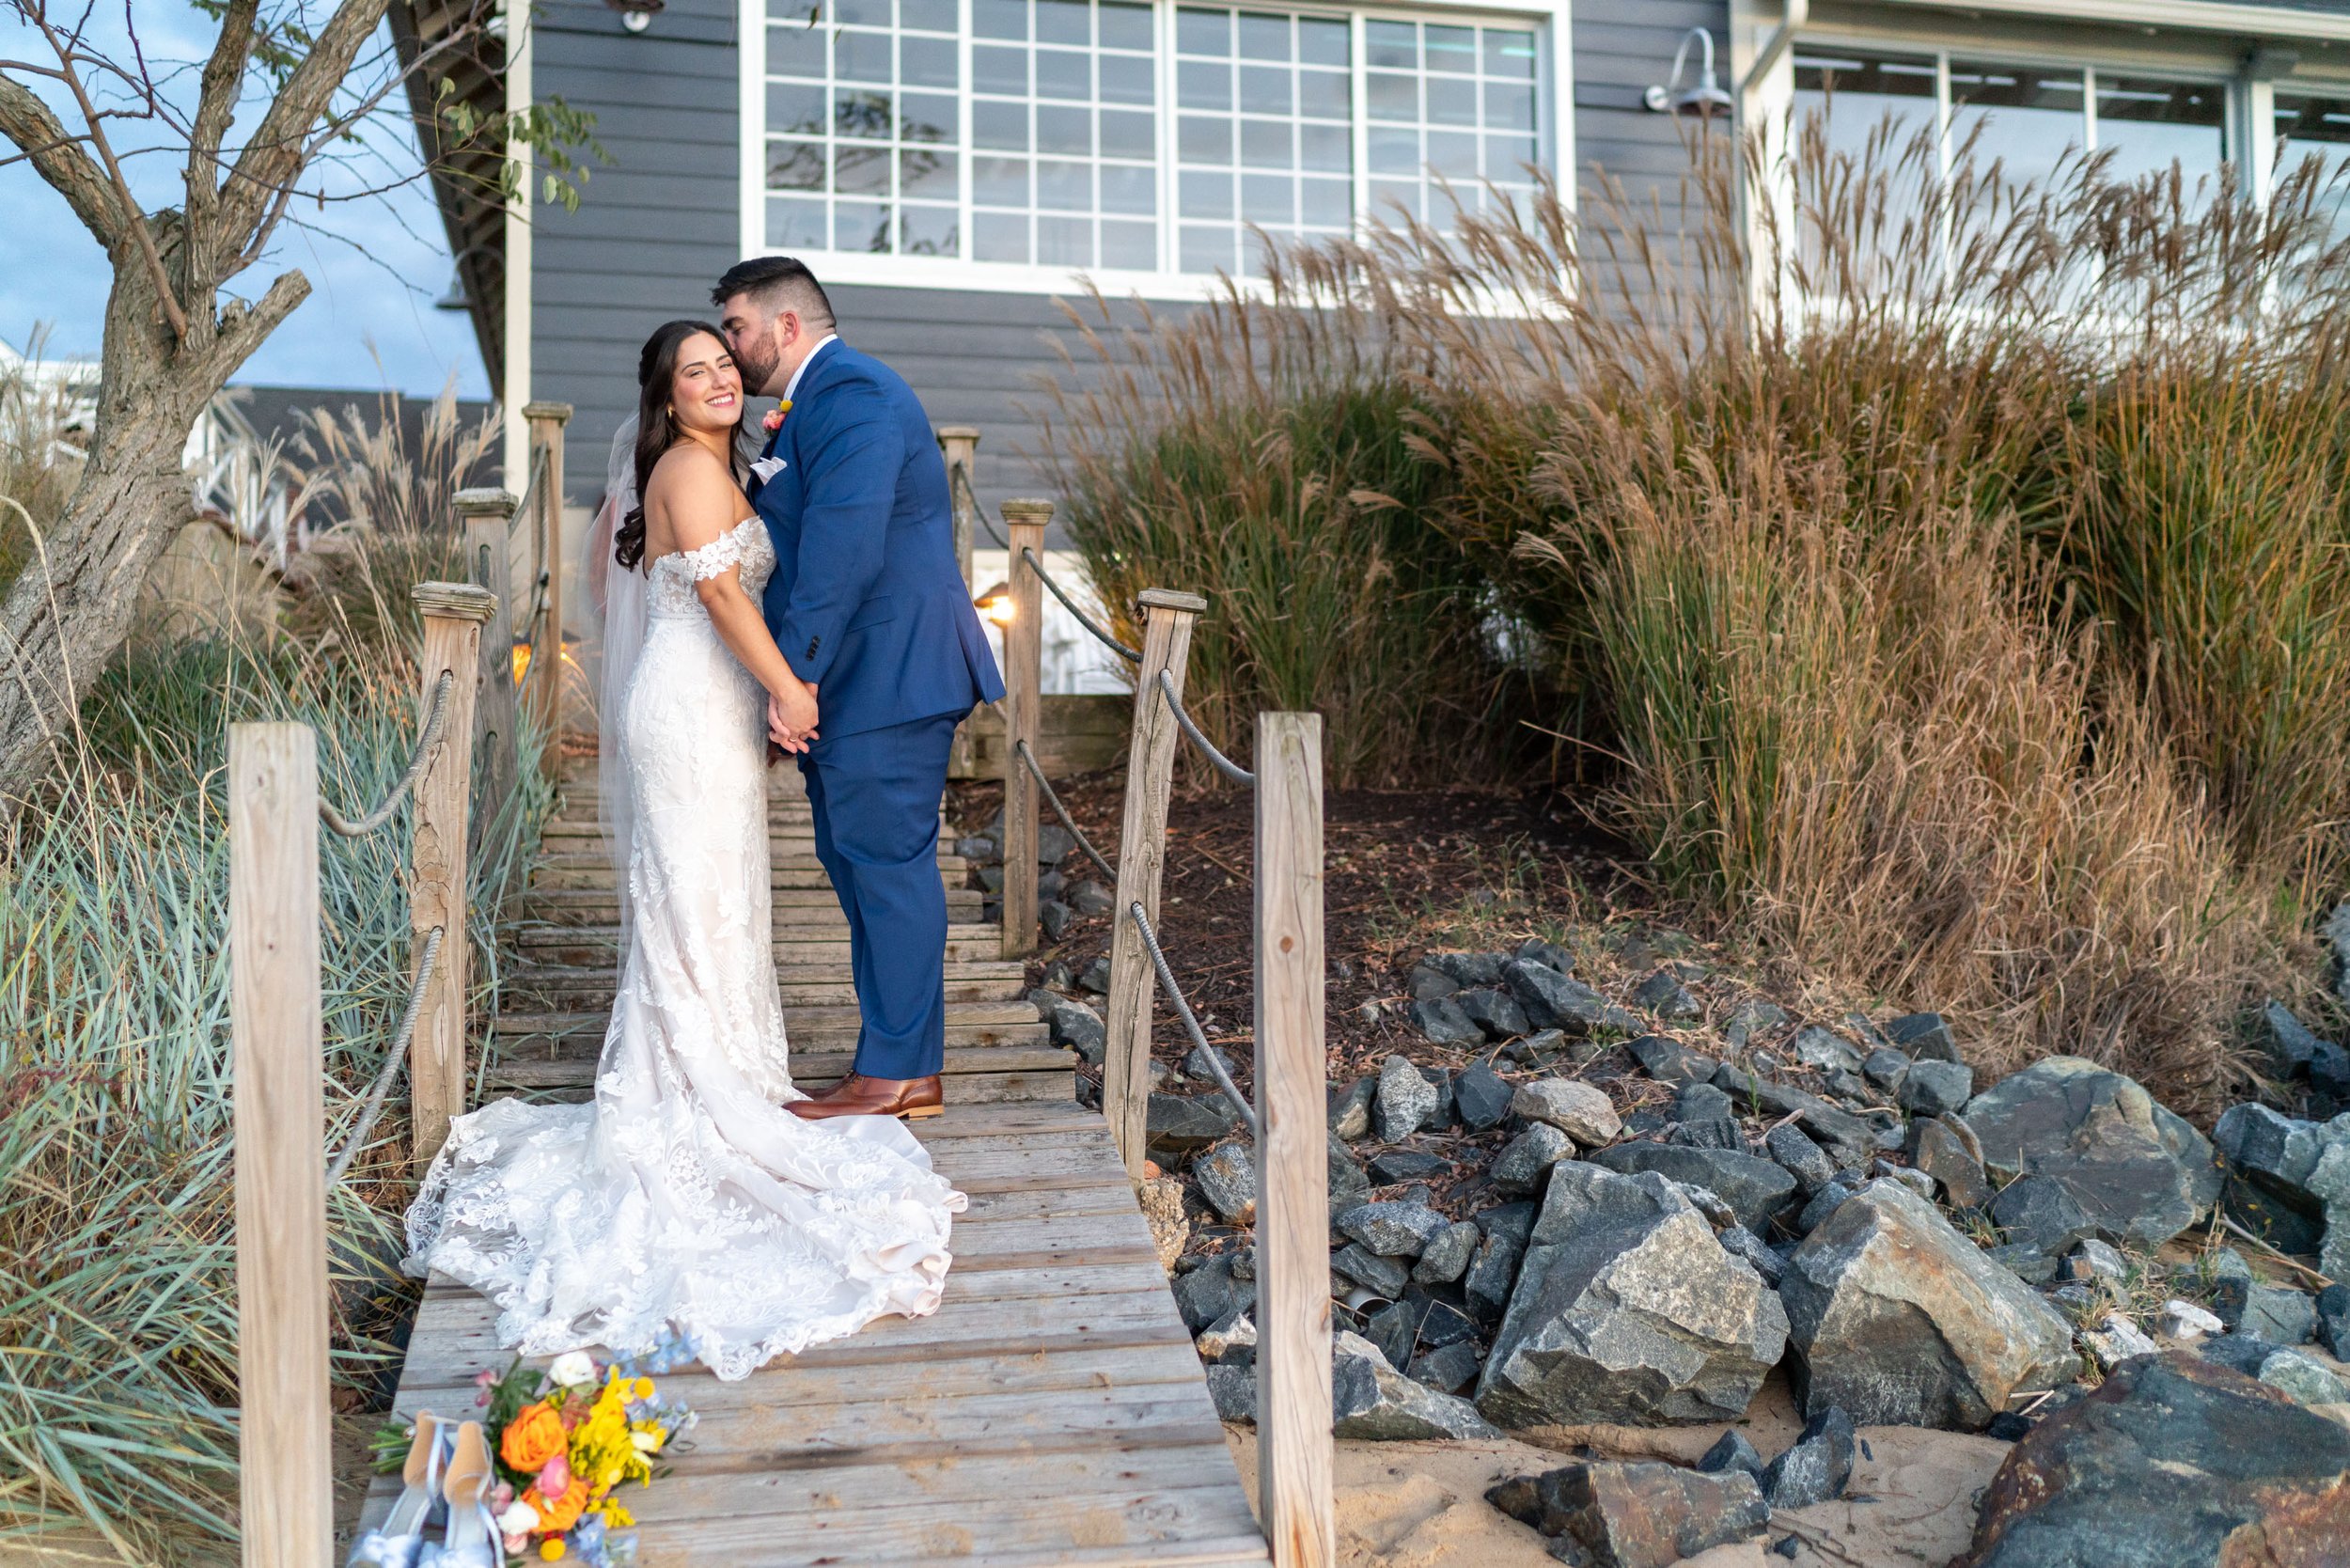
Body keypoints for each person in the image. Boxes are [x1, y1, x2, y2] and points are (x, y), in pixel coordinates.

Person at [399, 321, 966, 1389]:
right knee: (692, 898)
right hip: (691, 707)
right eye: (693, 371)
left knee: (713, 898)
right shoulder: (685, 470)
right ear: (665, 395)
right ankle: (689, 1090)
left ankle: (727, 1070)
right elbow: (718, 594)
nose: (716, 380)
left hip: (707, 706)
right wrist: (790, 689)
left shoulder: (717, 466)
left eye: (723, 365)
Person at [713, 257, 1005, 1121]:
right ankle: (895, 1059)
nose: (731, 349)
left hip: (891, 674)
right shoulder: (815, 406)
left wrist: (792, 674)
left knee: (887, 869)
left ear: (788, 324)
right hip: (861, 680)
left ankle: (899, 1072)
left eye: (738, 328)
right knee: (858, 866)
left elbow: (846, 550)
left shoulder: (857, 395)